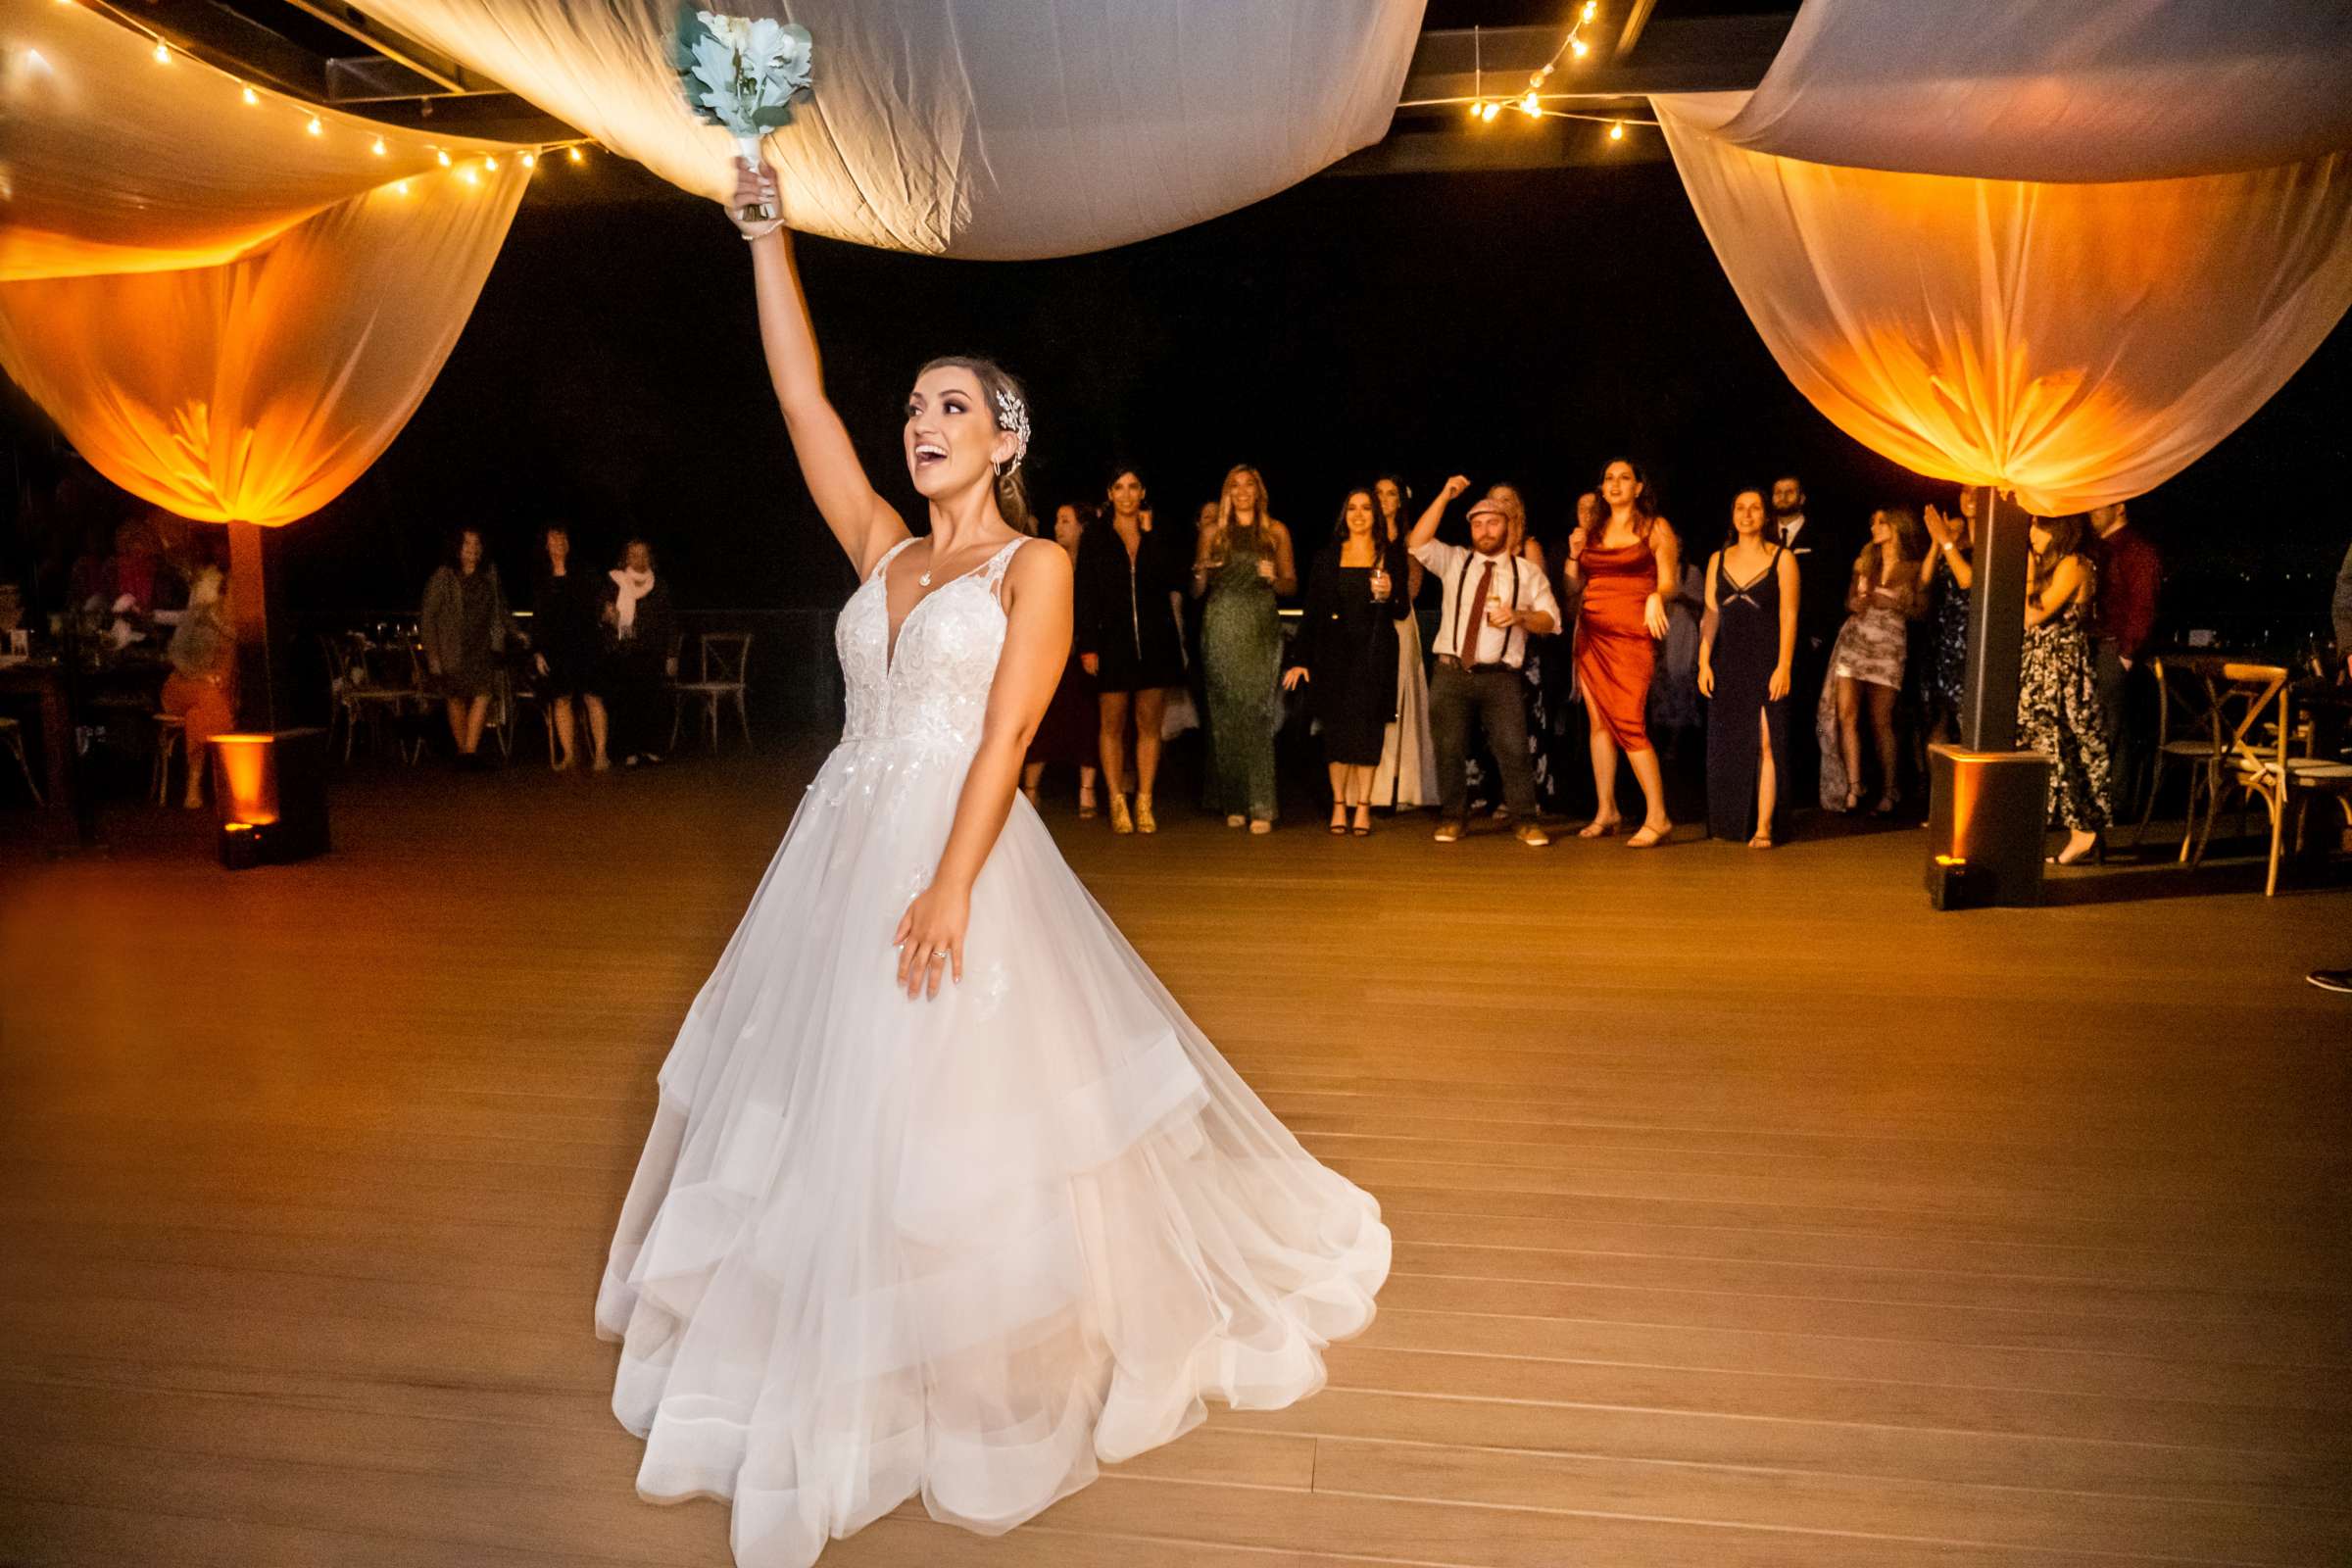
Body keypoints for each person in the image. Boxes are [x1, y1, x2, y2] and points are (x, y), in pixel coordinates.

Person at [595, 161, 1387, 1568]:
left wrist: (954, 880)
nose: (918, 425)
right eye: (912, 408)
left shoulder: (1035, 565)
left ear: (1006, 434)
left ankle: (979, 1341)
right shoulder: (880, 551)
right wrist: (764, 236)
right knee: (832, 1092)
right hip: (839, 845)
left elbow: (1012, 726)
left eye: (950, 405)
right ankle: (852, 1331)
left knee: (962, 1101)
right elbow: (800, 401)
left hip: (961, 844)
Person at [1405, 476, 1559, 846]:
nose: (1485, 530)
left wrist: (1519, 616)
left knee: (1513, 748)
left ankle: (1524, 819)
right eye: (1477, 523)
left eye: (1493, 522)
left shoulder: (1526, 572)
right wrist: (1444, 495)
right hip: (1451, 671)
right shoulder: (1455, 561)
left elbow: (1552, 621)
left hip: (1500, 676)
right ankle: (1453, 817)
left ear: (1507, 526)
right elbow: (1417, 542)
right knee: (1449, 748)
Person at [1563, 459, 1681, 847]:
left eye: (1624, 478)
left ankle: (1658, 816)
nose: (1615, 484)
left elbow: (1669, 584)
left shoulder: (1655, 527)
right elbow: (1573, 586)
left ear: (1638, 488)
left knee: (1629, 722)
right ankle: (1606, 810)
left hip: (1632, 636)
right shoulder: (1592, 531)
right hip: (1592, 633)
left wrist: (1654, 596)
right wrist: (1572, 554)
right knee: (1599, 725)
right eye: (1609, 478)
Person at [1282, 488, 1412, 835]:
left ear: (1376, 516)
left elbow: (1402, 609)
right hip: (1334, 655)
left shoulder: (1390, 556)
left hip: (1374, 653)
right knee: (1336, 730)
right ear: (1344, 515)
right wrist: (1300, 659)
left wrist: (1388, 595)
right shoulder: (1327, 558)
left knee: (1368, 730)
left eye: (1366, 508)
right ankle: (1340, 804)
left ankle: (1364, 806)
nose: (1359, 514)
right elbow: (1312, 614)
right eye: (1352, 508)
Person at [1074, 469, 1185, 833]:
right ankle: (1117, 799)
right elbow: (1085, 593)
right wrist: (1088, 644)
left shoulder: (1157, 535)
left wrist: (1152, 537)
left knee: (1149, 724)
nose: (1126, 494)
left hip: (1155, 641)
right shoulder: (1096, 537)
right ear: (1109, 493)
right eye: (1119, 487)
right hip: (1112, 643)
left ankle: (1145, 801)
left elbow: (1173, 580)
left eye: (1133, 486)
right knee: (1112, 723)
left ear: (1143, 492)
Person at [1192, 465, 1297, 833]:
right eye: (1234, 485)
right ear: (1227, 492)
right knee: (1225, 715)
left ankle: (1262, 804)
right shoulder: (1212, 532)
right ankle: (1233, 801)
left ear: (1258, 491)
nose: (1242, 491)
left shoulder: (1275, 531)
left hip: (1259, 625)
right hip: (1221, 623)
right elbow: (1197, 591)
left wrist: (1273, 579)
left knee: (1258, 711)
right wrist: (1201, 569)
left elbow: (1290, 585)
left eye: (1248, 485)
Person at [1699, 490, 1799, 847]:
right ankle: (1729, 822)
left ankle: (1764, 826)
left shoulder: (1782, 559)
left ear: (1765, 516)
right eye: (1740, 508)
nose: (1747, 514)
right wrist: (1703, 661)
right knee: (1730, 743)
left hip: (1765, 659)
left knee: (1766, 742)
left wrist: (1784, 665)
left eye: (1755, 508)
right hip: (1728, 661)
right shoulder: (1718, 558)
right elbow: (1711, 613)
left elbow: (1789, 614)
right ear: (1732, 515)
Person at [1814, 508, 1926, 814]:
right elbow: (1849, 600)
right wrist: (1856, 602)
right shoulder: (1864, 563)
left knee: (1881, 720)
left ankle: (1890, 789)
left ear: (1897, 527)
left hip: (1888, 645)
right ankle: (1853, 786)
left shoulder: (1913, 568)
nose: (1875, 527)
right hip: (1856, 640)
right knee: (1846, 714)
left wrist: (1893, 602)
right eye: (1872, 522)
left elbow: (1921, 611)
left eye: (1881, 522)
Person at [2019, 514, 2113, 865]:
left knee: (2065, 745)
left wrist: (2027, 572)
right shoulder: (2051, 565)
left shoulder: (2073, 563)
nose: (2032, 534)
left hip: (2062, 668)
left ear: (2060, 528)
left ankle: (2084, 831)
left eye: (2039, 526)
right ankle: (2075, 828)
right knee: (2048, 744)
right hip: (2042, 666)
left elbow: (2034, 614)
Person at [1025, 504, 1102, 813]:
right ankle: (1030, 788)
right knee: (1042, 722)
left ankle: (1087, 790)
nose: (1058, 527)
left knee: (1086, 719)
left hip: (1082, 652)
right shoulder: (1046, 559)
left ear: (1081, 527)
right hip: (1046, 651)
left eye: (1066, 521)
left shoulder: (1092, 563)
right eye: (1056, 520)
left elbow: (1094, 609)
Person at [1368, 474, 1438, 810]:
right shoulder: (1360, 535)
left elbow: (1414, 583)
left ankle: (1400, 786)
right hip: (1365, 622)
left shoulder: (1409, 539)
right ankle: (1371, 788)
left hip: (1397, 622)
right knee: (1371, 699)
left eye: (1390, 493)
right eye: (1378, 493)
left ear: (1400, 501)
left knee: (1399, 696)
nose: (1383, 499)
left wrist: (1393, 596)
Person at [2090, 500, 2160, 819]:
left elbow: (2143, 605)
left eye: (2097, 507)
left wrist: (2126, 655)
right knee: (2102, 728)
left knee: (2113, 731)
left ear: (2119, 507)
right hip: (2100, 647)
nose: (2091, 514)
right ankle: (2102, 801)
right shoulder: (2100, 549)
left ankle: (2115, 806)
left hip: (2114, 648)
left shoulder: (2136, 550)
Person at [420, 526, 508, 768]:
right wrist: (433, 655)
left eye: (476, 544)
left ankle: (469, 752)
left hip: (481, 647)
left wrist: (511, 632)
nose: (473, 549)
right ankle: (464, 753)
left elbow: (499, 609)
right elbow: (428, 617)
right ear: (457, 548)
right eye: (467, 544)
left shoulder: (489, 574)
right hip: (453, 648)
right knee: (456, 697)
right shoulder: (444, 576)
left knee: (483, 694)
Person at [530, 523, 610, 771]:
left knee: (592, 697)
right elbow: (539, 618)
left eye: (562, 538)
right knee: (561, 699)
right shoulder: (542, 577)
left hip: (586, 643)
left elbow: (600, 602)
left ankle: (600, 754)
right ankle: (569, 755)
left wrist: (607, 614)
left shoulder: (585, 572)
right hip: (556, 647)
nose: (558, 543)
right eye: (553, 539)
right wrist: (538, 650)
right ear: (546, 545)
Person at [159, 564, 236, 809]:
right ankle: (226, 781)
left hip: (216, 696)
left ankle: (195, 782)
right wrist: (203, 675)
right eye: (234, 590)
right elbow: (177, 656)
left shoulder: (246, 624)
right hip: (183, 686)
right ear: (224, 592)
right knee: (209, 698)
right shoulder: (200, 616)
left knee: (199, 715)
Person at [601, 538, 678, 768]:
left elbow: (670, 622)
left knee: (652, 702)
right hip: (622, 651)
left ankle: (652, 749)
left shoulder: (659, 585)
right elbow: (602, 612)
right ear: (626, 558)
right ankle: (627, 752)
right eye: (634, 555)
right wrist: (608, 615)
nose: (639, 559)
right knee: (625, 703)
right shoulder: (613, 581)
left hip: (652, 653)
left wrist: (671, 655)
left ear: (650, 557)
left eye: (643, 554)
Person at [1919, 488, 1977, 743]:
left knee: (1968, 718)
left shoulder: (1993, 542)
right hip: (1943, 637)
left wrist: (1946, 541)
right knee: (1939, 717)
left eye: (1978, 492)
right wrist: (1936, 542)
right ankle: (1937, 783)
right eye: (1965, 491)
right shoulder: (1954, 537)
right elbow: (1924, 581)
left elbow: (1967, 580)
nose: (1970, 498)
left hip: (1971, 637)